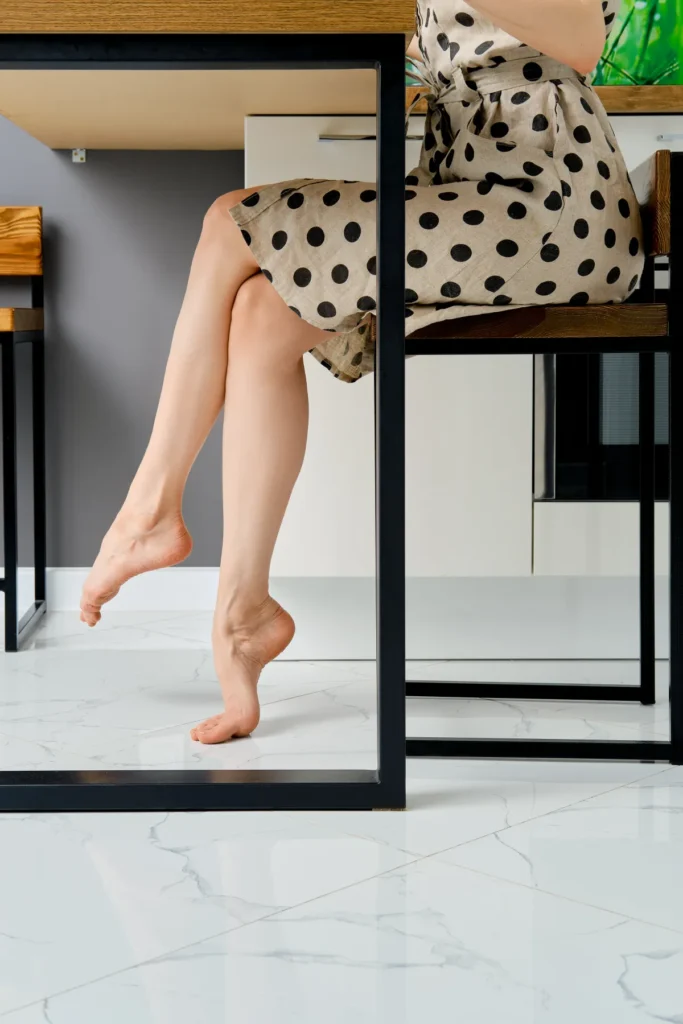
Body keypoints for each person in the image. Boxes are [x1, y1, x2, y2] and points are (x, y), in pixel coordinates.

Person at [80, 0, 642, 744]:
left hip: (550, 209)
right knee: (258, 314)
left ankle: (148, 510)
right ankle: (242, 613)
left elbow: (580, 39)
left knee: (231, 220)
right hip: (474, 194)